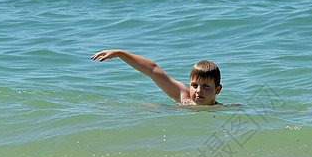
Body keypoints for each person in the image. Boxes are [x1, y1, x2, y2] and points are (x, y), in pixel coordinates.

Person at [91, 50, 222, 105]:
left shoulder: (221, 109)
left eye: (206, 86)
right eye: (195, 85)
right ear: (189, 85)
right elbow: (153, 70)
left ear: (217, 89)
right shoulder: (183, 96)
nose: (199, 90)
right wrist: (121, 54)